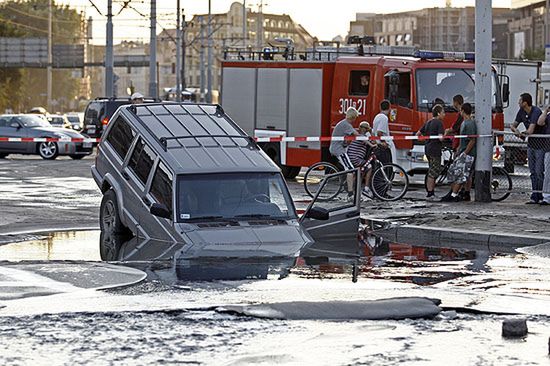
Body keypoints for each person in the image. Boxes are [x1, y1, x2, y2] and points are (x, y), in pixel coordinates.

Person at [511, 93, 544, 204]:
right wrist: (516, 131)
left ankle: (541, 194)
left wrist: (523, 134)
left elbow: (530, 130)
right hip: (530, 145)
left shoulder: (535, 111)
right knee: (532, 171)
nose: (518, 102)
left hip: (541, 145)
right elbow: (513, 125)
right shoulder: (521, 112)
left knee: (539, 171)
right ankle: (535, 195)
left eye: (520, 100)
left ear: (525, 102)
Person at [441, 103, 476, 202]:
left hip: (467, 154)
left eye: (461, 110)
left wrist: (465, 153)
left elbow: (472, 140)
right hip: (462, 151)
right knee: (454, 171)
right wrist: (459, 149)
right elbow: (463, 139)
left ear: (463, 111)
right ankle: (456, 193)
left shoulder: (469, 124)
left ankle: (453, 194)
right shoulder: (465, 123)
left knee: (461, 174)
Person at [417, 104, 445, 200]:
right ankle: (430, 194)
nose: (444, 114)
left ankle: (430, 192)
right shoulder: (439, 123)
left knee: (431, 169)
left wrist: (426, 140)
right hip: (435, 150)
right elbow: (441, 138)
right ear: (438, 113)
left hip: (428, 149)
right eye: (443, 112)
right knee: (433, 172)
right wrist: (446, 135)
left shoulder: (428, 122)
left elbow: (418, 134)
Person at [329, 107, 360, 197]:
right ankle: (350, 193)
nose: (355, 120)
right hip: (338, 149)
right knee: (350, 168)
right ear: (353, 117)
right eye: (355, 118)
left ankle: (347, 183)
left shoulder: (343, 123)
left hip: (338, 147)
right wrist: (367, 137)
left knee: (348, 168)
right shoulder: (346, 124)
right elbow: (356, 134)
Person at [347, 121, 376, 196]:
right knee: (369, 167)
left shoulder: (357, 135)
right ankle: (366, 188)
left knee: (362, 168)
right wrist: (371, 132)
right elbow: (374, 141)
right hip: (356, 159)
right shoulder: (363, 137)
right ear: (366, 130)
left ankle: (354, 188)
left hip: (351, 158)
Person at [372, 100, 395, 165]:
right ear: (389, 108)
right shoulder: (384, 118)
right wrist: (383, 142)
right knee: (387, 166)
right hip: (383, 147)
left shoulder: (377, 117)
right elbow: (380, 132)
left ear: (380, 108)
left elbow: (374, 132)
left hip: (378, 145)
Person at [536, 106, 550, 205]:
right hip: (549, 148)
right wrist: (545, 111)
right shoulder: (548, 116)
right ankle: (546, 196)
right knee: (548, 174)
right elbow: (540, 122)